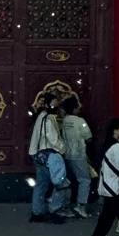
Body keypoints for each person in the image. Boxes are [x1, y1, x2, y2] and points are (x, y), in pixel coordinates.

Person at [29, 91, 70, 223]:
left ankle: (37, 212)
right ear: (48, 104)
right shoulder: (48, 119)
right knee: (60, 183)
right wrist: (63, 148)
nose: (56, 107)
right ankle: (54, 210)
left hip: (38, 155)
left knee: (41, 184)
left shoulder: (40, 116)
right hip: (50, 155)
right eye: (54, 104)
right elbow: (52, 138)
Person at [60, 95, 93, 219]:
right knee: (85, 180)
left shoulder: (65, 120)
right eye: (78, 105)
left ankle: (65, 204)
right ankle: (81, 205)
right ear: (74, 108)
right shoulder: (80, 121)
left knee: (70, 180)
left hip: (67, 154)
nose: (80, 107)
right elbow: (88, 137)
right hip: (79, 154)